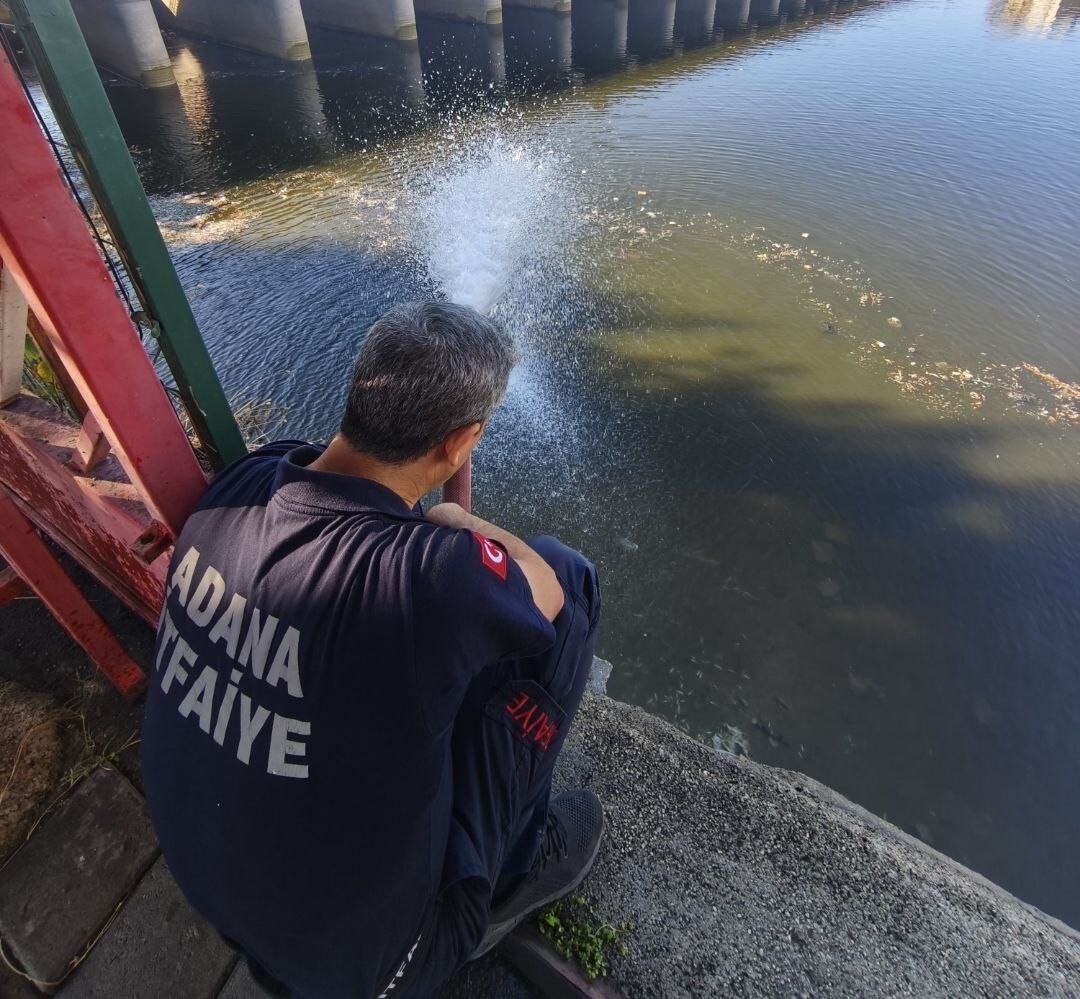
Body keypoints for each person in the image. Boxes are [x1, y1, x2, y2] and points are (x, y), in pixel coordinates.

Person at [141, 301, 604, 998]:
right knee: (572, 580)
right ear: (460, 442)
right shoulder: (429, 583)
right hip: (368, 968)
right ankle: (517, 863)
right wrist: (455, 514)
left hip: (212, 885)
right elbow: (549, 590)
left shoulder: (244, 481)